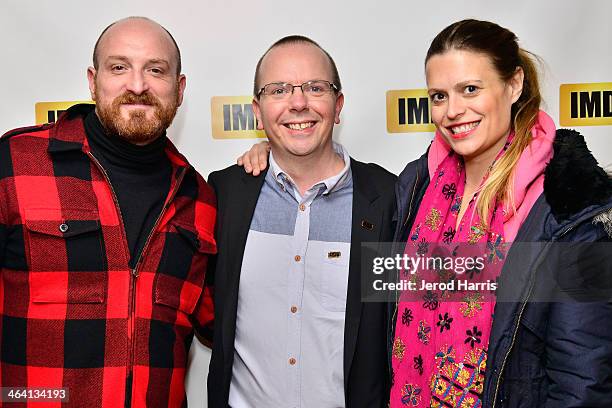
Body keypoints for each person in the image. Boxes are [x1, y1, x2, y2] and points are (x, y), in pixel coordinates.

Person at [389, 19, 612, 407]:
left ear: (514, 85)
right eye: (439, 96)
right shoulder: (418, 185)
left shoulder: (569, 205)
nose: (453, 111)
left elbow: (582, 380)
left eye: (470, 89)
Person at [0, 17, 216, 407]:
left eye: (156, 69)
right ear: (92, 80)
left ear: (180, 89)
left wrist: (278, 168)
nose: (137, 85)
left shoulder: (199, 198)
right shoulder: (15, 162)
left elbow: (228, 325)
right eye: (119, 67)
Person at [207, 35, 395, 407]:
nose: (298, 102)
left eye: (315, 87)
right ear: (257, 111)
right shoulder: (225, 194)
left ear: (337, 105)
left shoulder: (388, 199)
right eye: (278, 89)